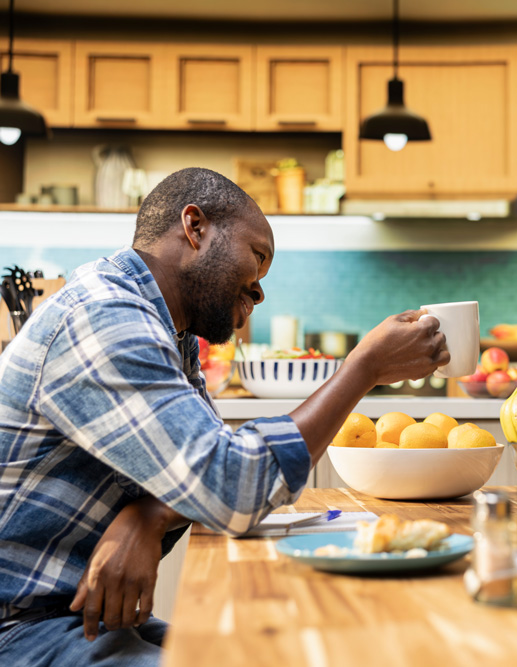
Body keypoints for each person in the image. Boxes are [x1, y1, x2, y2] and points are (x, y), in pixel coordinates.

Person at [0, 168, 449, 665]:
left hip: (71, 616)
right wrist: (364, 367)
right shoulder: (105, 317)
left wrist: (152, 512)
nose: (259, 292)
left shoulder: (166, 328)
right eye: (258, 258)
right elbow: (230, 485)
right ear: (195, 228)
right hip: (22, 628)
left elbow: (202, 469)